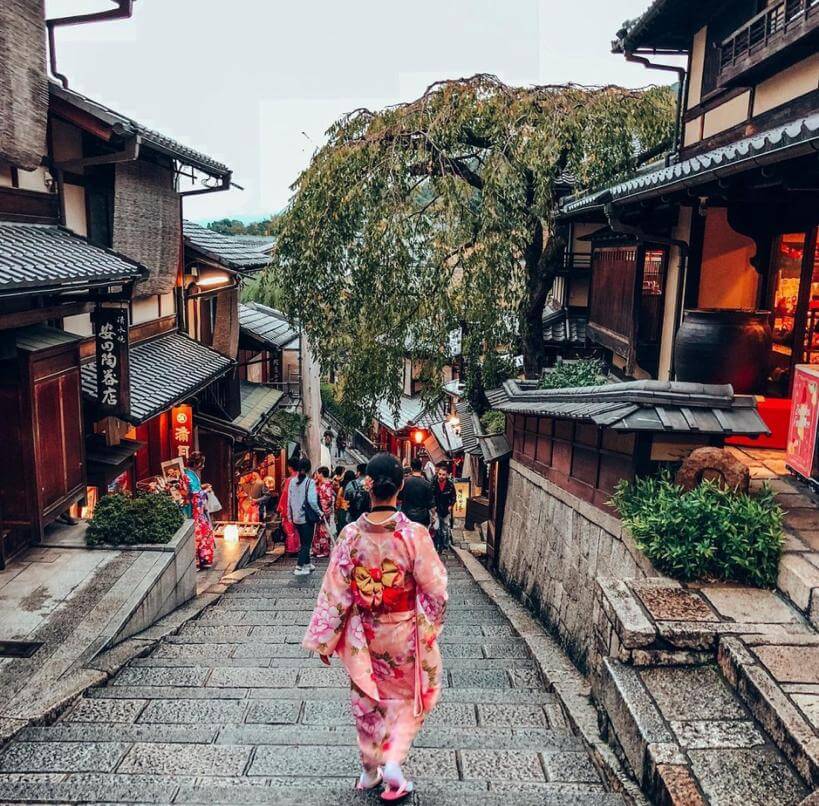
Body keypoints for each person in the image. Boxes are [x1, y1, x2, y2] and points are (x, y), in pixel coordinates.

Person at [303, 453, 448, 801]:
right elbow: (436, 589)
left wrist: (327, 638)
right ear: (400, 486)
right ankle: (394, 763)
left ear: (368, 486)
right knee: (403, 699)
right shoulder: (414, 535)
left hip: (363, 635)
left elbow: (335, 590)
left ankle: (370, 771)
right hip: (404, 634)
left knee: (367, 701)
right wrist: (428, 626)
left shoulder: (351, 536)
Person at [288, 456, 322, 576]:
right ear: (308, 469)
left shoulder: (292, 481)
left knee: (303, 542)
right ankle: (299, 567)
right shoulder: (310, 482)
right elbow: (312, 501)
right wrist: (319, 512)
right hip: (306, 518)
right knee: (306, 543)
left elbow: (289, 500)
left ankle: (307, 564)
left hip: (296, 517)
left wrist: (289, 516)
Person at [184, 452, 215, 569]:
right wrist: (205, 491)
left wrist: (202, 486)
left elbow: (195, 489)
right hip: (194, 512)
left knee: (204, 533)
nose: (203, 466)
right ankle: (199, 560)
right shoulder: (188, 475)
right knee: (201, 534)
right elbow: (195, 495)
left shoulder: (190, 473)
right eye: (202, 463)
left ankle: (202, 560)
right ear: (197, 463)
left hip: (198, 511)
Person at [398, 457, 434, 527]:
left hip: (407, 517)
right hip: (422, 518)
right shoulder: (427, 484)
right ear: (421, 468)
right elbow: (431, 504)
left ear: (411, 468)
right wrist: (433, 516)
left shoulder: (405, 482)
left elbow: (399, 498)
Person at [277, 456, 302, 555]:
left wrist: (281, 508)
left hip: (290, 508)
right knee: (298, 529)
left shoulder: (290, 480)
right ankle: (298, 547)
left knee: (289, 529)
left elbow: (285, 495)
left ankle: (292, 549)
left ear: (290, 467)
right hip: (300, 508)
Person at [432, 462, 457, 553]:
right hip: (436, 509)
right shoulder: (433, 482)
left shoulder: (450, 484)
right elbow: (431, 496)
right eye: (440, 474)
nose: (441, 476)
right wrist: (432, 507)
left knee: (445, 528)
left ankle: (445, 545)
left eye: (443, 475)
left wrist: (451, 505)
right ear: (437, 473)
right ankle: (437, 546)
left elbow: (454, 497)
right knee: (436, 528)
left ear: (446, 475)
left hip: (446, 509)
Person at [311, 466, 335, 558]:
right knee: (318, 531)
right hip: (321, 510)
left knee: (323, 531)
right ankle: (317, 550)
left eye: (317, 473)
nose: (317, 475)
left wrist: (323, 512)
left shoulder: (326, 485)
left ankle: (324, 551)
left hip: (323, 511)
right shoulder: (324, 484)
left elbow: (327, 500)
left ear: (321, 474)